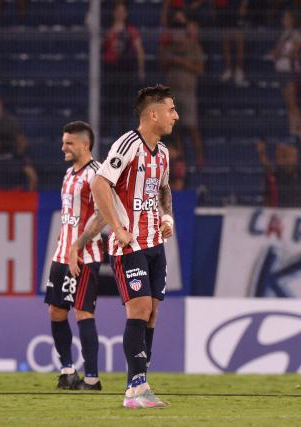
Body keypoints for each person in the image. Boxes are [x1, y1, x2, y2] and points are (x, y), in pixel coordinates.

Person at [91, 84, 177, 409]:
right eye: (171, 109)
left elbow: (164, 190)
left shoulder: (163, 153)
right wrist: (118, 228)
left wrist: (168, 217)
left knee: (152, 313)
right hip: (130, 244)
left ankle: (136, 387)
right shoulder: (128, 144)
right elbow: (100, 183)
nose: (175, 116)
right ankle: (137, 389)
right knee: (139, 309)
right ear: (153, 113)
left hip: (155, 242)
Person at [44, 121, 106, 391]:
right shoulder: (69, 174)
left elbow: (104, 215)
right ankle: (67, 371)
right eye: (63, 142)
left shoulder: (98, 174)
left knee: (83, 313)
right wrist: (64, 239)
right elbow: (70, 214)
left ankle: (91, 379)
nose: (63, 148)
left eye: (69, 143)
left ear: (85, 144)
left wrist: (77, 246)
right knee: (56, 311)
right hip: (62, 254)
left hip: (85, 256)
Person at [159, 10, 204, 167]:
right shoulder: (169, 48)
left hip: (188, 92)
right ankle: (179, 160)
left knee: (192, 128)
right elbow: (163, 66)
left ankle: (200, 160)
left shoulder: (193, 47)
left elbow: (200, 69)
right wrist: (170, 60)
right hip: (173, 95)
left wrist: (181, 62)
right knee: (175, 129)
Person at [101, 1, 146, 136]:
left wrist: (140, 70)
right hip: (111, 71)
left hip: (125, 71)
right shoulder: (108, 30)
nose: (120, 14)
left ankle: (123, 132)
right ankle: (106, 132)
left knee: (124, 103)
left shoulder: (131, 30)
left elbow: (139, 50)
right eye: (118, 11)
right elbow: (101, 47)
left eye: (122, 11)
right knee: (110, 102)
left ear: (126, 14)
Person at [271, 9, 301, 140]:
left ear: (292, 19)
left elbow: (295, 52)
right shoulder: (282, 34)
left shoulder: (296, 34)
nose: (284, 19)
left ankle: (300, 130)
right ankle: (293, 131)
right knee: (288, 103)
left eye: (286, 17)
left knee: (293, 103)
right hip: (281, 70)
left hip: (290, 71)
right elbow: (275, 53)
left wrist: (281, 54)